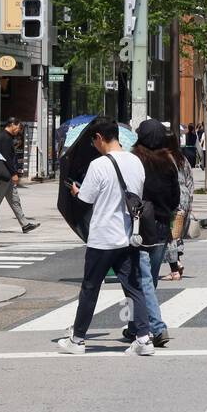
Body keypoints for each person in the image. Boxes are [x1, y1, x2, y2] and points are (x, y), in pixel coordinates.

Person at [58, 118, 153, 356]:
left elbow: (85, 201)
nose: (94, 145)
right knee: (133, 289)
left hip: (102, 238)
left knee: (90, 288)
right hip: (128, 235)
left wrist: (76, 191)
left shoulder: (99, 165)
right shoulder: (136, 162)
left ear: (100, 137)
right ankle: (143, 338)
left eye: (93, 140)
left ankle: (78, 339)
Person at [130, 120, 180, 347]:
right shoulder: (168, 162)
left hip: (140, 227)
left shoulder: (135, 161)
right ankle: (135, 325)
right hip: (162, 226)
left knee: (143, 280)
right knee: (149, 279)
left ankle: (157, 328)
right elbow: (175, 198)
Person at [0, 118, 39, 234]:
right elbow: (7, 158)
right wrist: (14, 173)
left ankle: (25, 224)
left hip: (6, 174)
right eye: (18, 128)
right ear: (13, 124)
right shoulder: (5, 138)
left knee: (15, 200)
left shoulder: (4, 136)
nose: (19, 131)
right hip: (5, 174)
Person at [165, 130, 193, 280]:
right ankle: (177, 262)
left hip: (172, 196)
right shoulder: (182, 158)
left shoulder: (165, 159)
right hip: (185, 196)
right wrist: (190, 200)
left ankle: (175, 267)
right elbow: (190, 180)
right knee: (177, 232)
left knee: (170, 233)